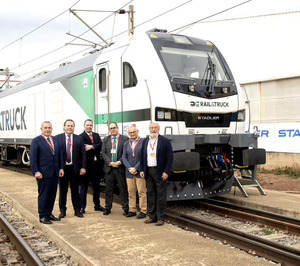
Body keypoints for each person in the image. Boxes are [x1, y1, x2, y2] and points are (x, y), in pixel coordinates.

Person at [30, 121, 64, 224]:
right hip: (43, 174)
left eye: (49, 128)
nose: (47, 129)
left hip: (54, 173)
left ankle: (49, 214)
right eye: (45, 128)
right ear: (41, 129)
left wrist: (61, 168)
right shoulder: (36, 141)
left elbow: (60, 156)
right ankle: (42, 216)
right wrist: (36, 171)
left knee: (52, 195)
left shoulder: (55, 140)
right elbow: (33, 158)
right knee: (43, 195)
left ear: (52, 129)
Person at [140, 122, 173, 226]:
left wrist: (166, 171)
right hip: (148, 171)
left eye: (155, 128)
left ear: (158, 129)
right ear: (149, 129)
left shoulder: (165, 141)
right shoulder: (145, 141)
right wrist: (142, 170)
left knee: (161, 195)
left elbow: (170, 158)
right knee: (150, 194)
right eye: (151, 128)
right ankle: (152, 216)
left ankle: (161, 218)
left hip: (160, 172)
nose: (153, 130)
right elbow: (142, 157)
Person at [56, 119, 87, 218]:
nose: (70, 127)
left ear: (74, 127)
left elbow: (83, 154)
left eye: (72, 126)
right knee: (62, 191)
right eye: (68, 126)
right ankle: (62, 210)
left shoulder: (79, 139)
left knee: (75, 190)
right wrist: (57, 168)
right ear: (64, 127)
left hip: (75, 169)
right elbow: (55, 155)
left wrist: (83, 167)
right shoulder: (58, 138)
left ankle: (77, 210)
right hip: (63, 169)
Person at [101, 122, 129, 216]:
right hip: (109, 169)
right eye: (111, 128)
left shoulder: (125, 139)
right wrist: (110, 162)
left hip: (120, 168)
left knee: (123, 190)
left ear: (118, 128)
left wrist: (120, 161)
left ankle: (125, 209)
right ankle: (107, 208)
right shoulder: (106, 139)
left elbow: (126, 153)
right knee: (108, 190)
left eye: (114, 128)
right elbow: (103, 153)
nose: (112, 129)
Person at [79, 119, 105, 213]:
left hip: (96, 166)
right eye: (87, 125)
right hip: (86, 166)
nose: (89, 127)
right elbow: (82, 149)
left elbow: (100, 145)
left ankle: (97, 205)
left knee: (96, 187)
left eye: (90, 125)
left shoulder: (96, 135)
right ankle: (82, 207)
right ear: (84, 126)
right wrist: (95, 146)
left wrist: (91, 146)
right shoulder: (80, 137)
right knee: (83, 187)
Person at [122, 125, 147, 219]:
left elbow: (144, 157)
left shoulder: (143, 141)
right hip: (129, 172)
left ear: (137, 131)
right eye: (130, 132)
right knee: (131, 192)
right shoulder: (126, 143)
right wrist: (130, 168)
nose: (132, 134)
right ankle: (132, 210)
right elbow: (123, 157)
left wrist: (135, 168)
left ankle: (143, 210)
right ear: (128, 134)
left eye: (134, 132)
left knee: (141, 192)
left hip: (139, 171)